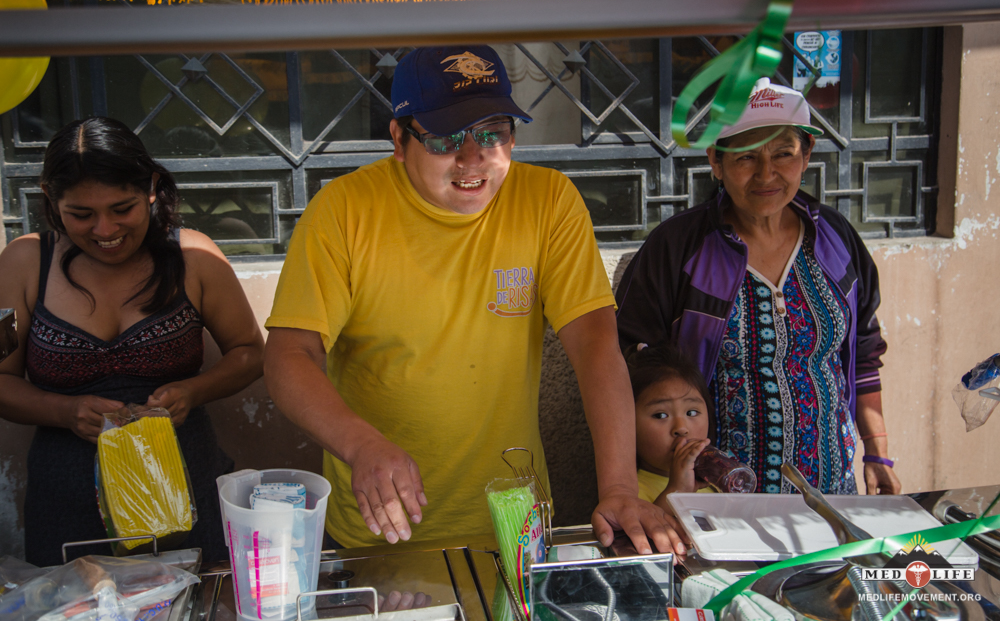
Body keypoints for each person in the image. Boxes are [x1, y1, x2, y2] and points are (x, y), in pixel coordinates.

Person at [263, 45, 683, 554]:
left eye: (492, 134)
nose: (472, 159)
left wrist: (618, 488)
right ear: (399, 139)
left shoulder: (548, 201)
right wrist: (361, 444)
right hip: (384, 529)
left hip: (515, 524)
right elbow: (290, 354)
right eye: (445, 139)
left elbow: (595, 345)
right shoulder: (343, 212)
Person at [616, 78, 901, 497]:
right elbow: (628, 368)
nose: (766, 173)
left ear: (806, 156)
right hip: (715, 494)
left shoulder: (835, 239)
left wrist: (877, 455)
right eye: (746, 157)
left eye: (783, 154)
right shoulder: (678, 248)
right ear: (716, 160)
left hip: (831, 491)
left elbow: (862, 355)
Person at [0, 117, 265, 566]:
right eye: (81, 215)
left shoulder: (193, 257)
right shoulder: (24, 263)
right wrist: (64, 411)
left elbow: (251, 353)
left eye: (122, 209)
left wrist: (190, 392)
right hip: (69, 505)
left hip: (185, 489)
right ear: (51, 200)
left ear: (152, 188)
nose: (105, 230)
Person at [627, 343, 715, 510]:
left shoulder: (710, 485)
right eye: (661, 415)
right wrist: (677, 490)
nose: (681, 428)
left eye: (692, 412)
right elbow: (648, 534)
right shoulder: (630, 493)